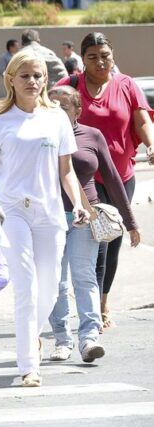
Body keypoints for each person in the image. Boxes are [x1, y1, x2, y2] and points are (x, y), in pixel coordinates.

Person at [0, 49, 89, 390]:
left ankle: (32, 339)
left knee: (50, 288)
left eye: (38, 75)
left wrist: (78, 203)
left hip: (50, 212)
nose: (33, 81)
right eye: (25, 75)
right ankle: (28, 365)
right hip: (12, 212)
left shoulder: (56, 119)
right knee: (25, 286)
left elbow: (66, 171)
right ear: (11, 79)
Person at [56, 32, 154, 329]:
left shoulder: (126, 85)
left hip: (120, 175)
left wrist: (151, 144)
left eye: (105, 56)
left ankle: (103, 299)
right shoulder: (70, 86)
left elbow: (142, 119)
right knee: (93, 242)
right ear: (81, 60)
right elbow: (44, 112)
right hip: (84, 177)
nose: (100, 62)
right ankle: (93, 306)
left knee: (112, 240)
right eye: (92, 57)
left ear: (113, 55)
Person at [46, 85, 139, 363]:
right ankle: (62, 339)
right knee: (56, 281)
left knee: (84, 276)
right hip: (48, 218)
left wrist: (131, 221)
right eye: (52, 106)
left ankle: (88, 339)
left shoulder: (92, 135)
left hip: (84, 216)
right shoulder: (40, 137)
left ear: (77, 109)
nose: (57, 111)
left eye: (63, 106)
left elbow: (112, 177)